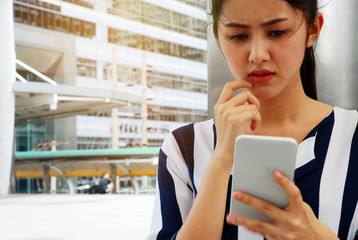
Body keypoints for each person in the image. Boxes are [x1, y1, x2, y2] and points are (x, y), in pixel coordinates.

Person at [148, 0, 358, 239]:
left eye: (277, 32)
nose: (257, 55)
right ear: (218, 36)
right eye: (238, 36)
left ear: (312, 30)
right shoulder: (184, 147)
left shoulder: (351, 135)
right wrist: (220, 161)